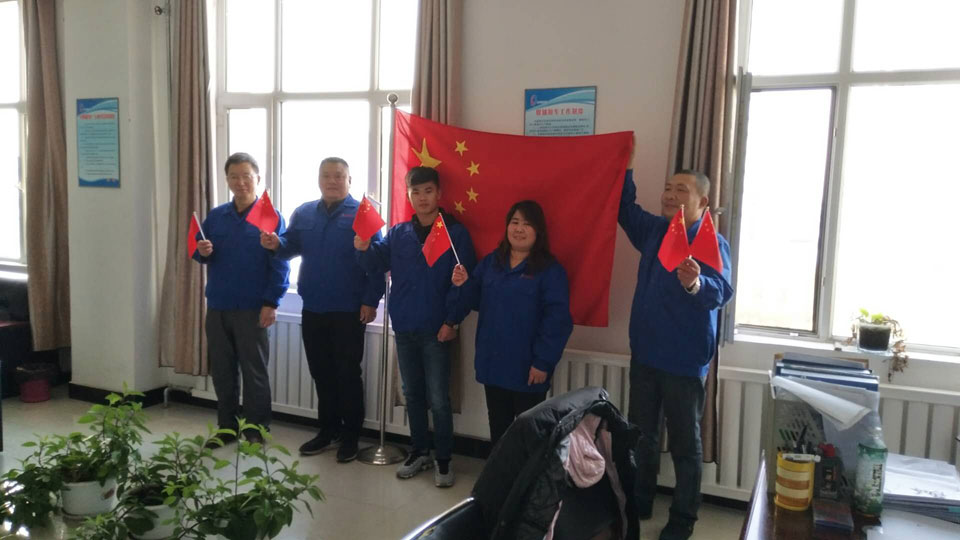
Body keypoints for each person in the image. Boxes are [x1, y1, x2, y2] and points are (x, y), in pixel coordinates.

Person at [618, 169, 734, 540]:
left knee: (685, 445)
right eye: (667, 188)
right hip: (645, 353)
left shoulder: (712, 242)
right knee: (641, 436)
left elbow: (721, 292)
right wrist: (627, 166)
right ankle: (641, 501)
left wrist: (696, 283)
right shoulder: (655, 230)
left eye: (681, 190)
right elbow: (624, 208)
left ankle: (683, 519)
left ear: (703, 201)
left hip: (685, 360)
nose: (670, 195)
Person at [354, 166, 476, 488]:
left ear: (439, 194)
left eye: (428, 191)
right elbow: (375, 263)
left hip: (437, 329)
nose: (422, 198)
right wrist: (363, 247)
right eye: (416, 192)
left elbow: (463, 284)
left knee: (439, 398)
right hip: (405, 326)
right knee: (412, 393)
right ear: (408, 196)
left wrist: (452, 321)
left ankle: (444, 459)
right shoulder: (398, 233)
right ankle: (419, 451)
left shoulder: (454, 233)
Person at [260, 157, 385, 463]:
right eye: (327, 175)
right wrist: (276, 244)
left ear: (349, 180)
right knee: (321, 372)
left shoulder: (364, 214)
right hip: (314, 306)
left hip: (349, 309)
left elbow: (378, 264)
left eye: (339, 176)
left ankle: (350, 436)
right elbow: (290, 247)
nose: (332, 181)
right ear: (319, 179)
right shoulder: (304, 212)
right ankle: (327, 430)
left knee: (347, 374)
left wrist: (370, 301)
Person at [450, 200, 573, 447]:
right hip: (493, 363)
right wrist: (463, 284)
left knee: (530, 435)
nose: (519, 229)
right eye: (514, 222)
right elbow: (474, 300)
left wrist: (542, 362)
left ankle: (525, 475)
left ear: (538, 231)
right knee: (499, 428)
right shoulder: (492, 262)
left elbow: (558, 321)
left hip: (528, 368)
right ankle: (500, 472)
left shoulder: (550, 271)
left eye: (527, 224)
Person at [193, 152, 289, 446]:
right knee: (222, 372)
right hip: (218, 306)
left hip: (252, 308)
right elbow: (199, 251)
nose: (240, 182)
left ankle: (256, 429)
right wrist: (202, 251)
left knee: (254, 372)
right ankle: (226, 428)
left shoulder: (270, 217)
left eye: (246, 176)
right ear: (227, 180)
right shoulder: (216, 216)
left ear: (257, 178)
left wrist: (271, 303)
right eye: (234, 177)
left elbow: (281, 263)